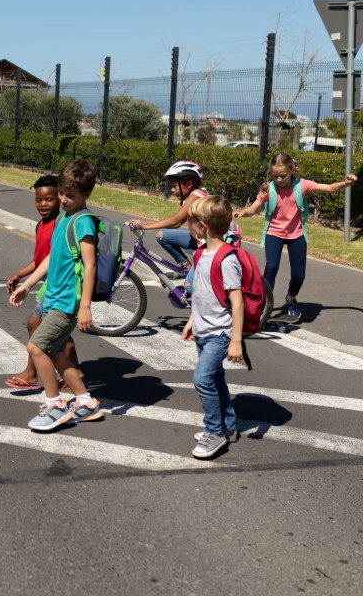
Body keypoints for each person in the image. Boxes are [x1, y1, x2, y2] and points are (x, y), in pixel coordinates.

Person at [9, 159, 104, 431]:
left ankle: (54, 405)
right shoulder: (64, 217)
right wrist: (28, 284)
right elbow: (52, 256)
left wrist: (85, 306)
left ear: (86, 195)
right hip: (52, 297)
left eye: (69, 196)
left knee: (37, 347)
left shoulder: (83, 222)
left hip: (67, 302)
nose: (62, 199)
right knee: (55, 351)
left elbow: (90, 265)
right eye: (61, 193)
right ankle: (85, 402)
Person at [233, 153, 357, 318]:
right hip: (274, 233)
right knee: (271, 267)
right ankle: (261, 302)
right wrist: (242, 213)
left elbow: (328, 188)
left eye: (283, 176)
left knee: (299, 274)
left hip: (296, 234)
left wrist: (346, 183)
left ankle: (291, 297)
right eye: (275, 176)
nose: (279, 179)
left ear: (292, 170)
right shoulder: (269, 188)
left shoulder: (302, 186)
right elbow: (254, 208)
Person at [181, 195, 244, 459]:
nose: (191, 224)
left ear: (203, 224)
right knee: (216, 379)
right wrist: (192, 321)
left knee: (202, 379)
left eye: (193, 220)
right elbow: (201, 293)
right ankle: (228, 426)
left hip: (221, 333)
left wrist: (236, 340)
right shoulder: (200, 254)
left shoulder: (226, 259)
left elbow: (237, 302)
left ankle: (215, 432)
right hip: (203, 330)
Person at [3, 174, 79, 390]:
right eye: (38, 199)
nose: (43, 204)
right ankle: (77, 372)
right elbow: (40, 260)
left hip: (60, 284)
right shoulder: (42, 225)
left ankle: (31, 373)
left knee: (36, 325)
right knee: (58, 333)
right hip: (51, 283)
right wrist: (19, 275)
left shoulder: (59, 224)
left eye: (49, 199)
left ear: (60, 198)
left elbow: (55, 259)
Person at [128, 160, 210, 274]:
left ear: (189, 184)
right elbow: (177, 222)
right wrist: (144, 223)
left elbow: (176, 221)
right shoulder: (192, 196)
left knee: (191, 288)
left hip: (210, 245)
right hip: (198, 239)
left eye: (174, 186)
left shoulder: (196, 196)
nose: (172, 190)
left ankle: (193, 278)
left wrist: (145, 226)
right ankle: (187, 269)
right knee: (162, 236)